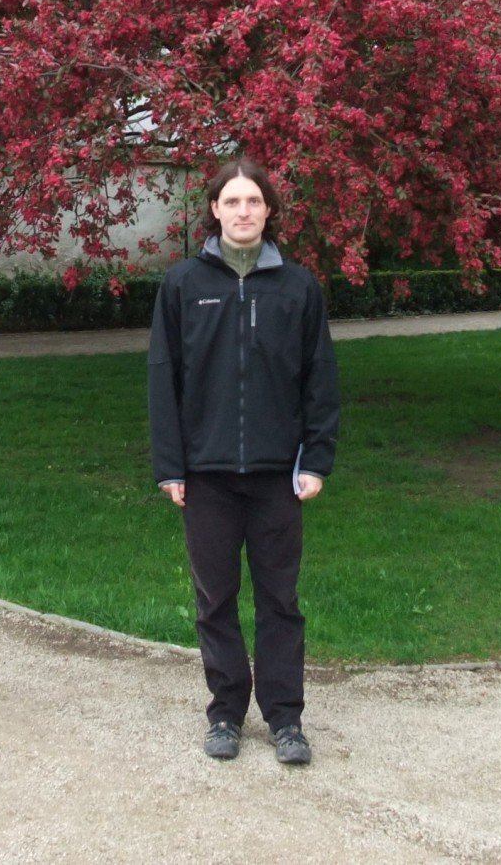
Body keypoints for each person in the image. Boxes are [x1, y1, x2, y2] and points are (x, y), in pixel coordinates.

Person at [147, 156, 340, 766]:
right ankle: (226, 711)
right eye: (232, 201)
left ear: (268, 211)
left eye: (253, 201)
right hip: (205, 476)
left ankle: (286, 719)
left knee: (280, 600)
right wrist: (171, 466)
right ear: (214, 210)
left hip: (277, 476)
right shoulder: (183, 284)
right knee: (216, 598)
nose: (242, 212)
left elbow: (320, 381)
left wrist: (316, 460)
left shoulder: (298, 287)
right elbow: (163, 380)